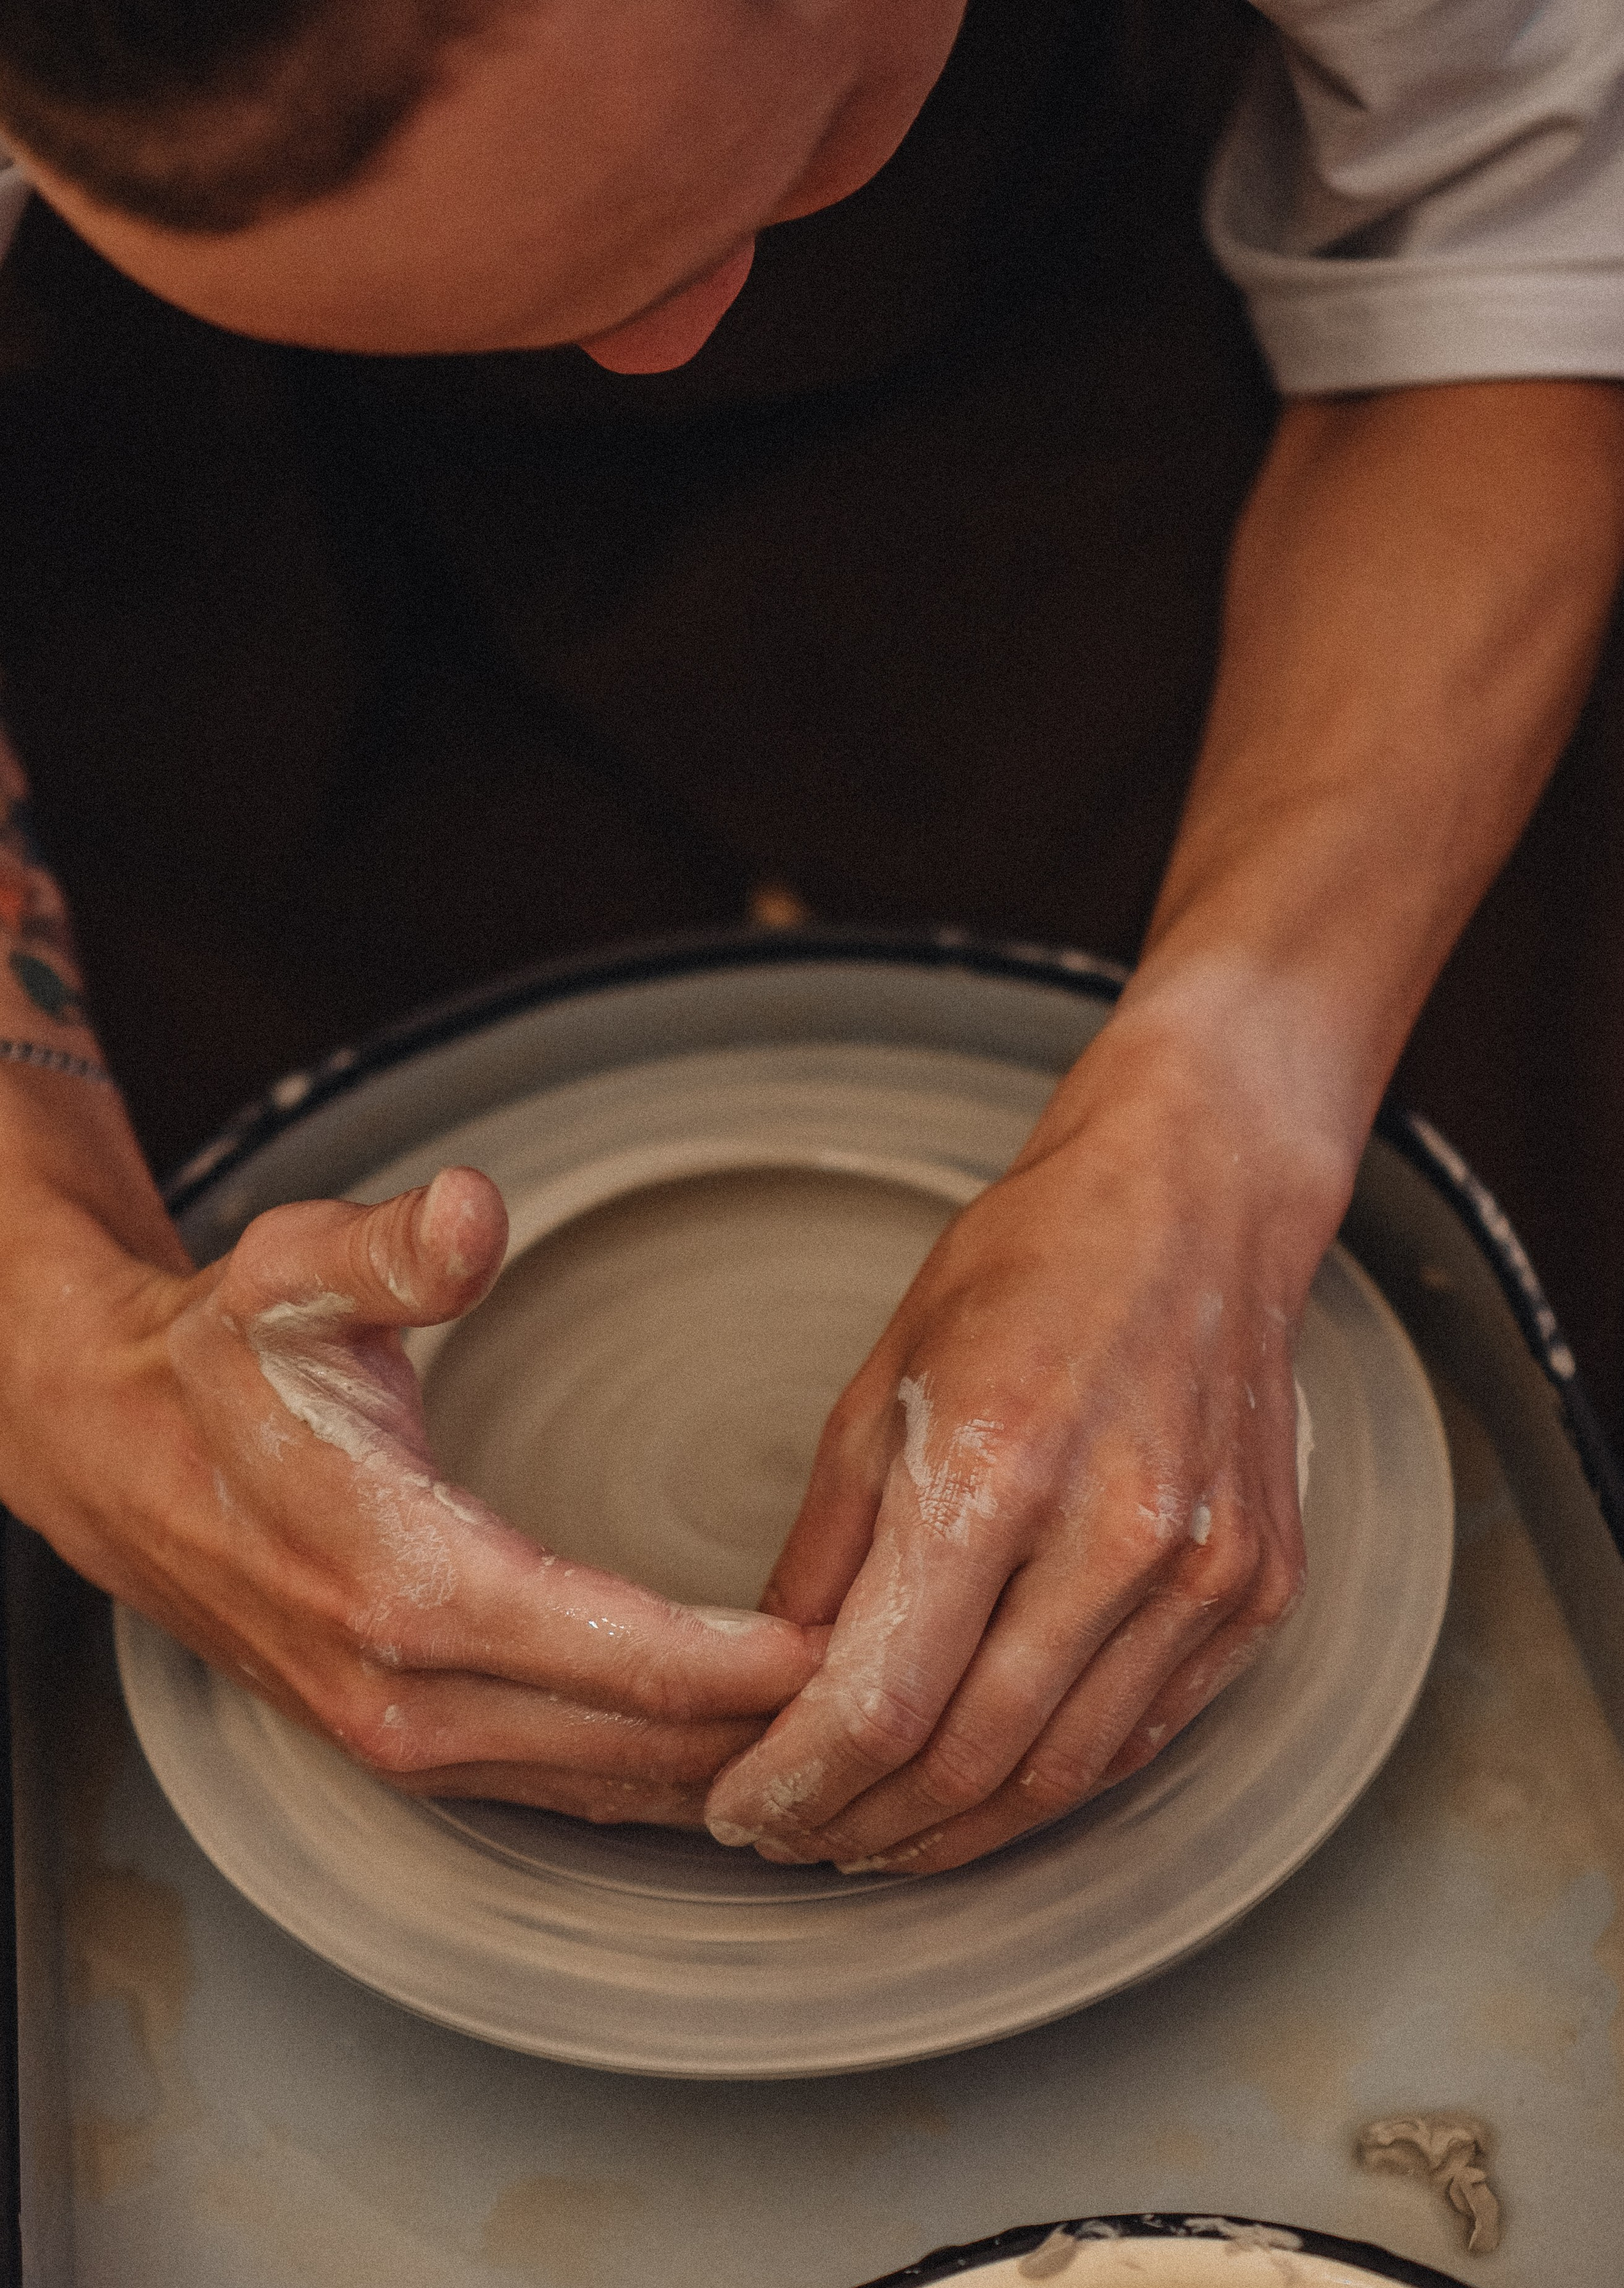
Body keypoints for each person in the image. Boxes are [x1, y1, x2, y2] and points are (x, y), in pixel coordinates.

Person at [0, 0, 1620, 1877]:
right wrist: (53, 1339)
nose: (652, 351)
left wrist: (1233, 1109)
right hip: (158, 437)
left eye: (785, 157)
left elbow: (1505, 251)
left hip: (1036, 263)